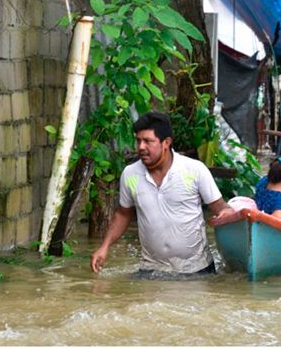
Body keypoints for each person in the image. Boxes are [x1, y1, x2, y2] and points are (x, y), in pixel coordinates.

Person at [90, 112, 234, 276]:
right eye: (138, 141)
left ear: (166, 142)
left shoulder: (194, 170)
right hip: (151, 270)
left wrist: (227, 214)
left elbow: (219, 206)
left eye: (148, 141)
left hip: (197, 269)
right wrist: (104, 247)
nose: (141, 147)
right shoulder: (130, 175)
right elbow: (123, 214)